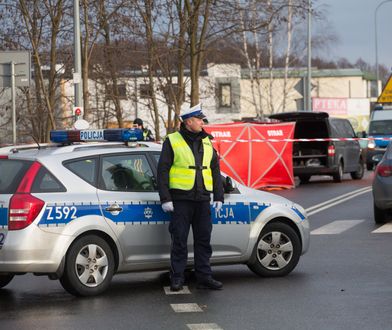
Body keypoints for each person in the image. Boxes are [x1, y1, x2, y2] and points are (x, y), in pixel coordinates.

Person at [157, 103, 224, 292]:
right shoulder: (172, 140)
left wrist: (218, 196)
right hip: (181, 200)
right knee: (179, 240)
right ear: (189, 121)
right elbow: (162, 171)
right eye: (199, 119)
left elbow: (215, 170)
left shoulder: (207, 141)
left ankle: (204, 276)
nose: (203, 122)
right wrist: (165, 198)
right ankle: (177, 278)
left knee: (204, 240)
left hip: (202, 200)